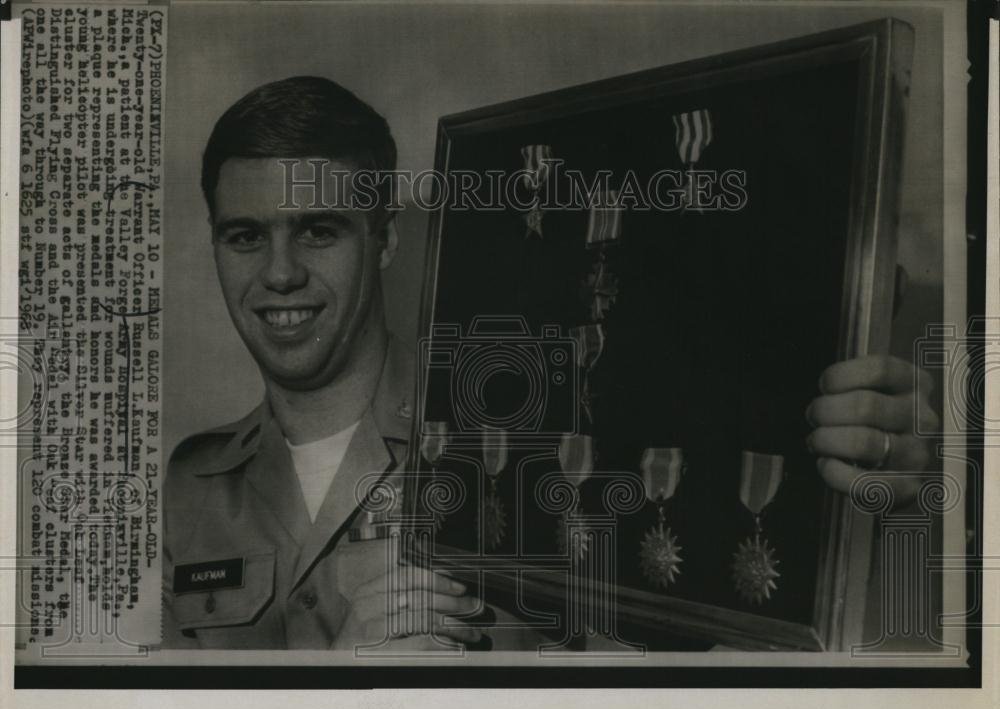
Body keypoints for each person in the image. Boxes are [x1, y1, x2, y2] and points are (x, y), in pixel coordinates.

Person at [161, 76, 937, 650]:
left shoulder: (535, 422)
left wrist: (889, 508)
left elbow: (725, 635)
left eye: (320, 231)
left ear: (387, 238)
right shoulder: (183, 494)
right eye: (246, 236)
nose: (281, 274)